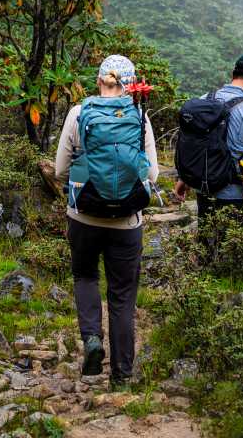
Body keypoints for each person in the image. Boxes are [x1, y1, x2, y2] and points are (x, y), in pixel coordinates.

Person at [55, 54, 159, 387]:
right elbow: (153, 173)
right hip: (127, 222)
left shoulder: (78, 112)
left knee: (85, 276)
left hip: (83, 215)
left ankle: (91, 340)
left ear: (99, 80)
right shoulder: (140, 115)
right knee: (122, 296)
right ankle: (122, 376)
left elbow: (59, 170)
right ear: (130, 86)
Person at [174, 53, 243, 218]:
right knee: (238, 242)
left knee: (208, 242)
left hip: (203, 194)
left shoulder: (203, 100)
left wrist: (183, 179)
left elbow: (194, 145)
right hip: (236, 198)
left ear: (234, 74)